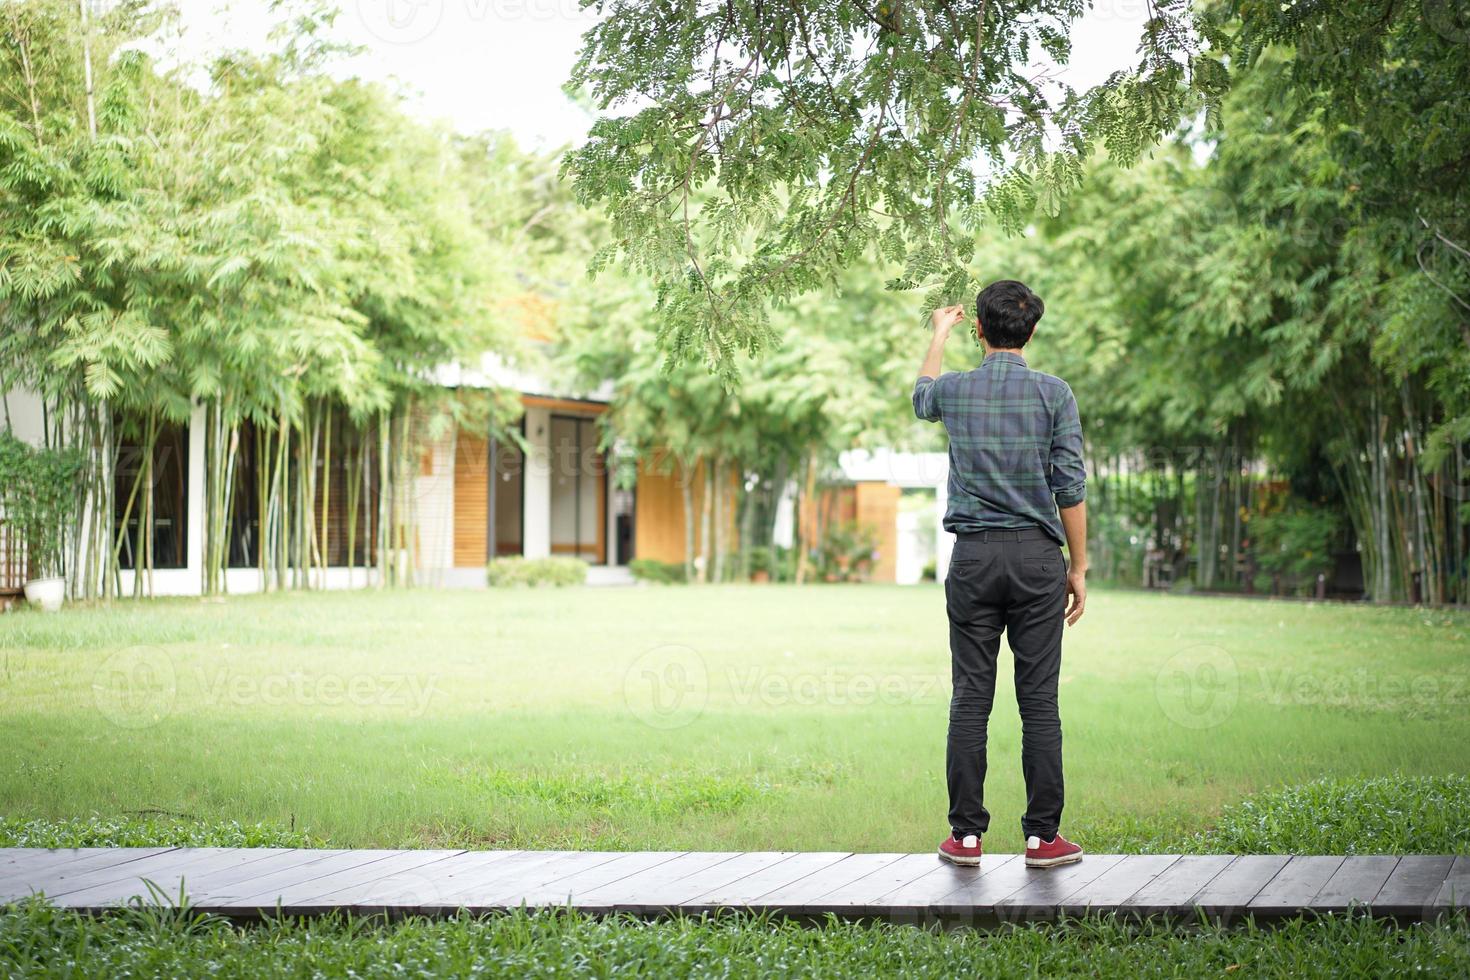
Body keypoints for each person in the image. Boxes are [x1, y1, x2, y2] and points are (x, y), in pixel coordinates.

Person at [913, 280, 1088, 869]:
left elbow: (921, 397)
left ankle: (965, 838)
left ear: (979, 330)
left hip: (975, 559)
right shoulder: (1054, 394)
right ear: (1031, 330)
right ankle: (1042, 839)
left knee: (970, 698)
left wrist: (938, 333)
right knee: (1038, 702)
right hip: (1039, 560)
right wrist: (1079, 566)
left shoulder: (957, 392)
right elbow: (1070, 487)